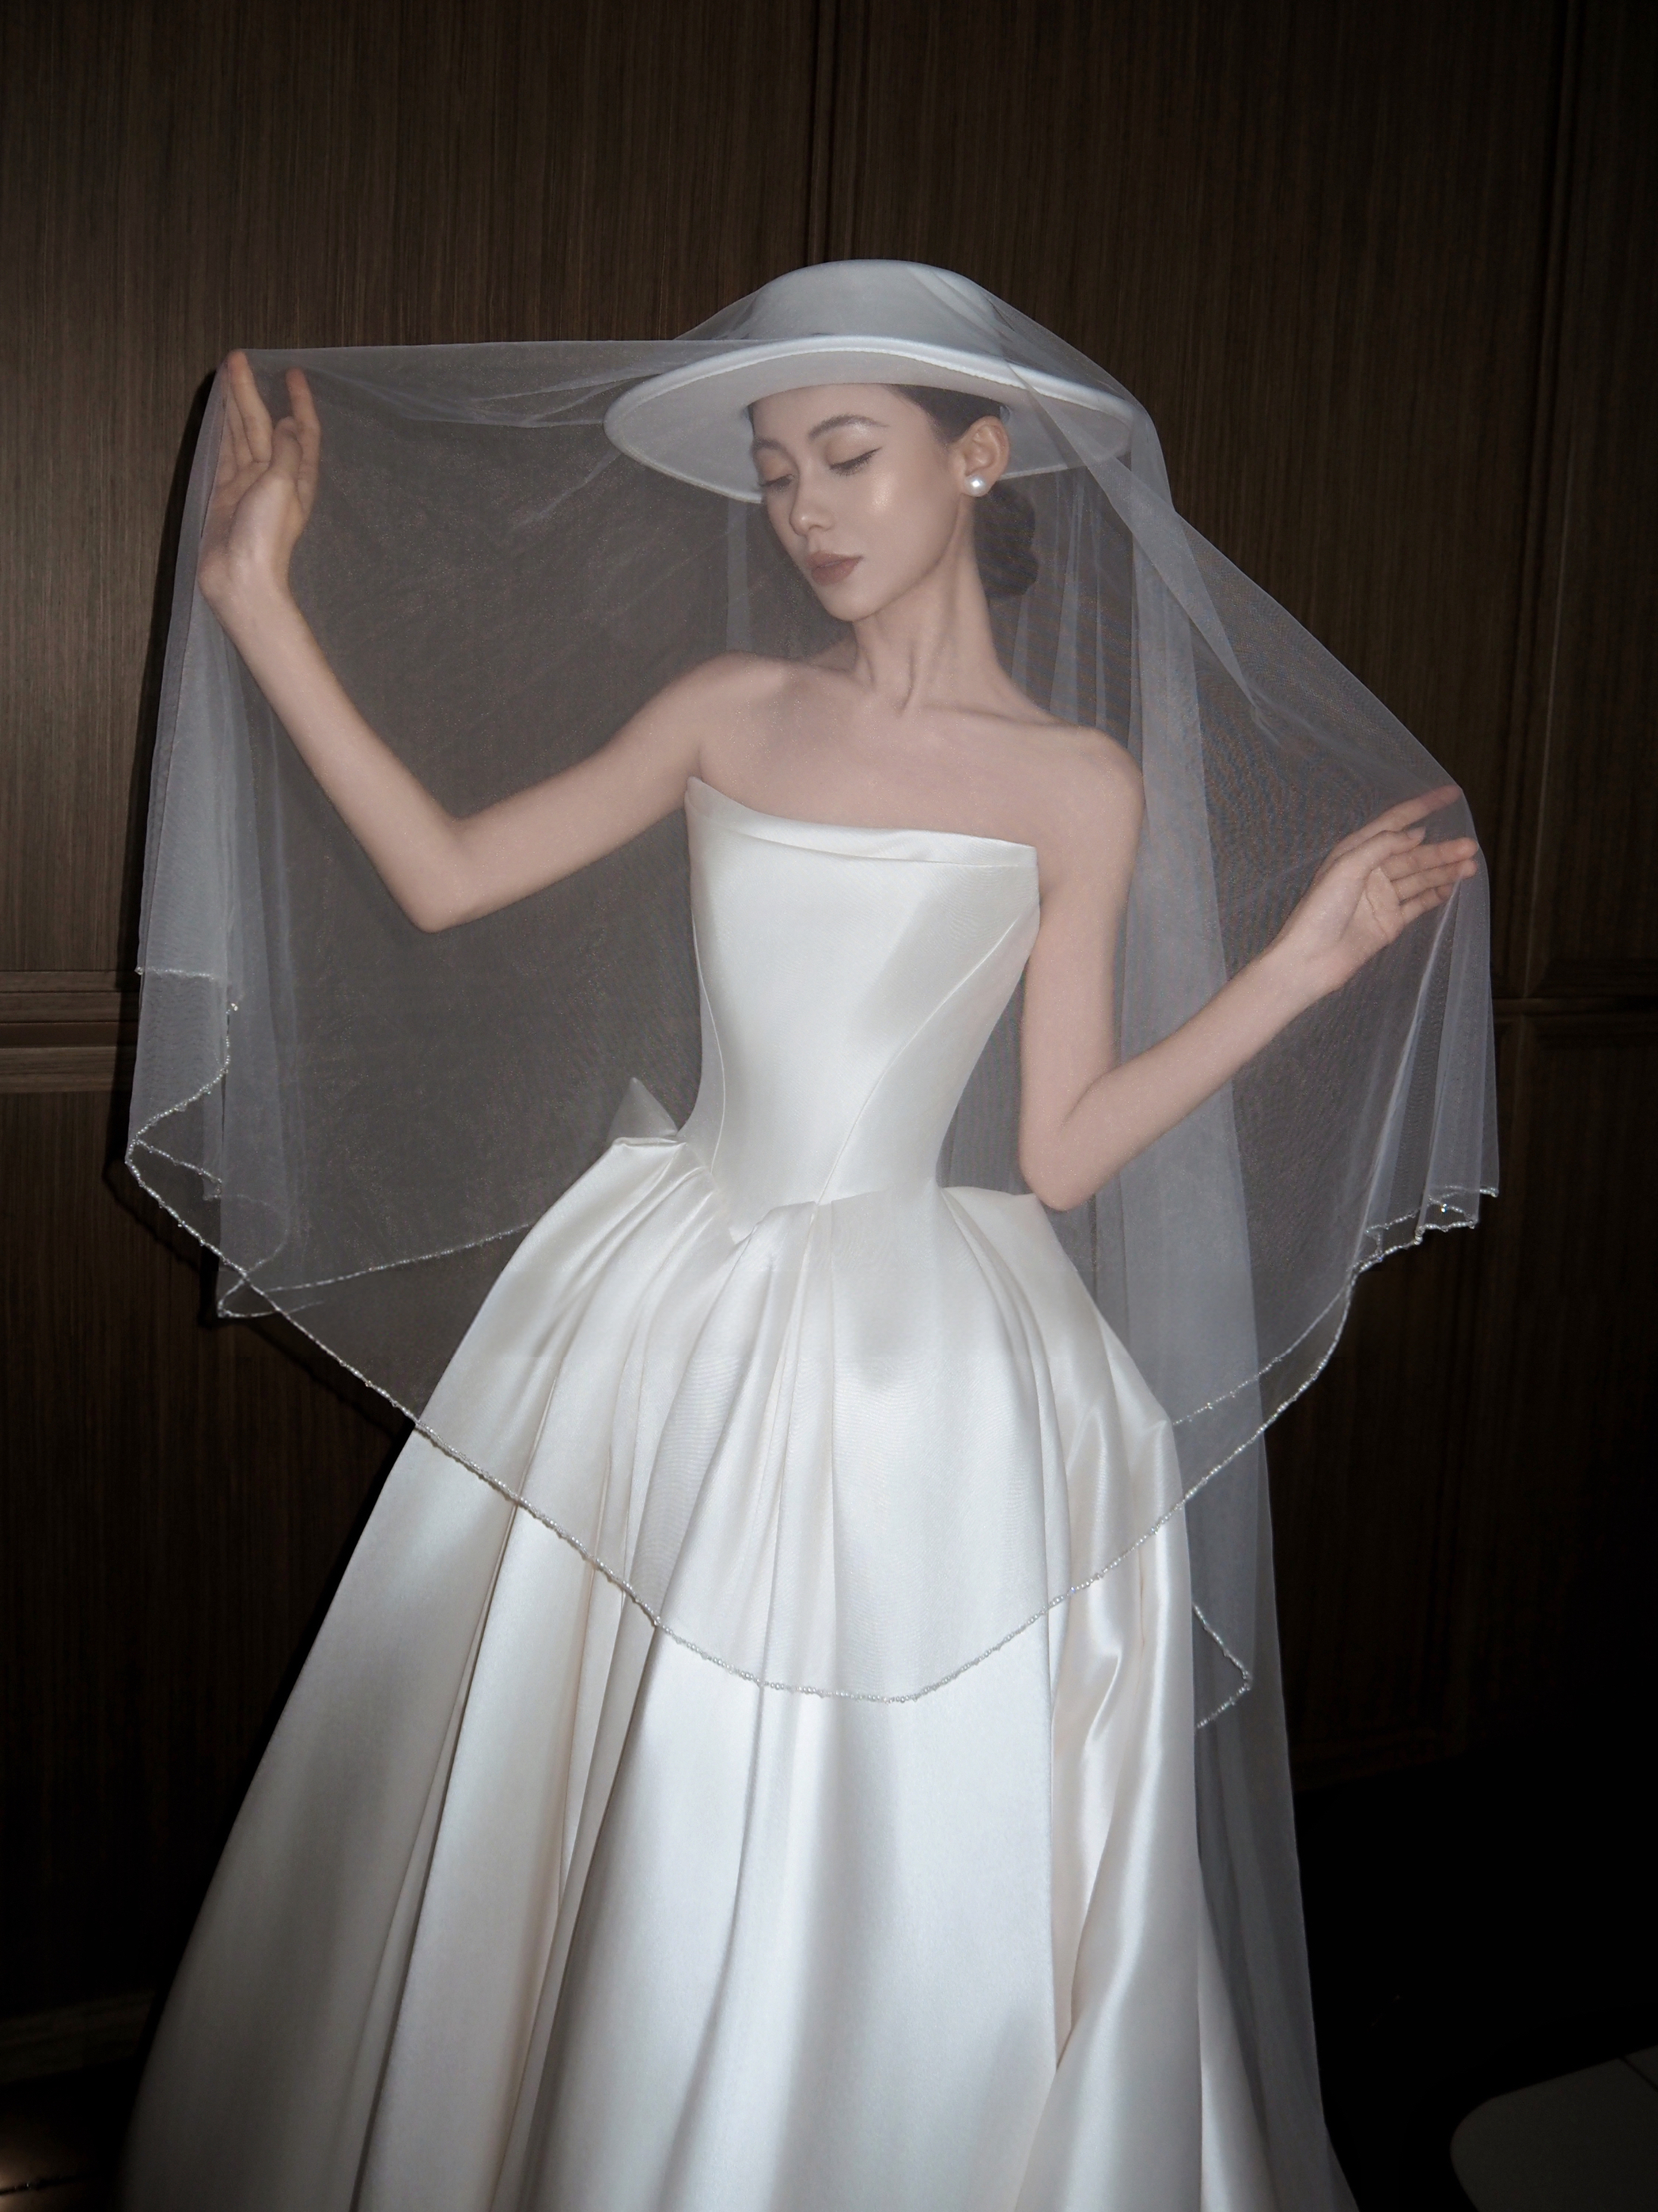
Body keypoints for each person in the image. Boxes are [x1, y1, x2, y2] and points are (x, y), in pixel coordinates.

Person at [119, 262, 1490, 2210]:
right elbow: (442, 876)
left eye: (847, 455)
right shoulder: (727, 709)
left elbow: (1064, 1149)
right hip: (661, 1294)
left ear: (978, 458)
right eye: (775, 473)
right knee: (583, 1778)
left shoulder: (1074, 782)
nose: (807, 509)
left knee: (871, 1818)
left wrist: (1297, 967)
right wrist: (257, 598)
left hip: (910, 1355)